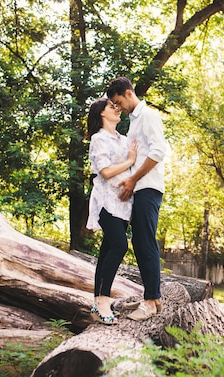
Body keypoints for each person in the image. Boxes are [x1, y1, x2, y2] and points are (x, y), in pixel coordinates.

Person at [106, 76, 169, 321]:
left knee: (145, 242)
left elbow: (158, 151)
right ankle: (152, 299)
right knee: (140, 243)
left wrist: (133, 180)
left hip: (149, 187)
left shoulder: (149, 116)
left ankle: (152, 301)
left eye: (118, 101)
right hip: (138, 189)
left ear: (129, 94)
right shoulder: (133, 123)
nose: (117, 107)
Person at [86, 97, 137, 325]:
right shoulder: (98, 139)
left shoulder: (124, 140)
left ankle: (97, 304)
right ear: (102, 114)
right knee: (119, 245)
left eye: (117, 107)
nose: (117, 110)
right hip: (106, 202)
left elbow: (137, 162)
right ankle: (104, 301)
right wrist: (130, 162)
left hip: (123, 203)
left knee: (107, 250)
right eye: (111, 107)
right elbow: (105, 172)